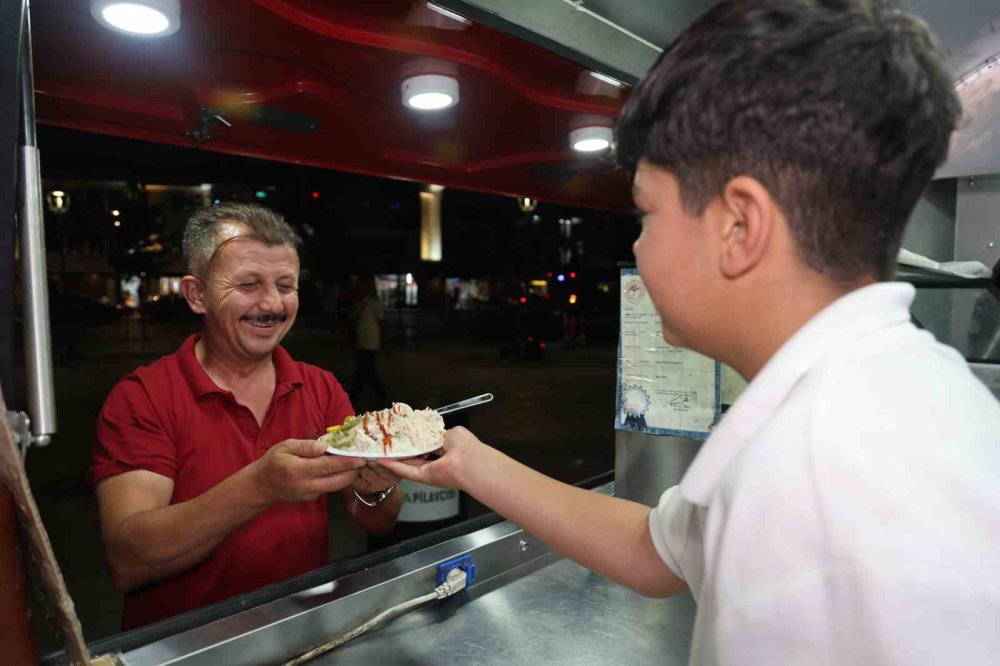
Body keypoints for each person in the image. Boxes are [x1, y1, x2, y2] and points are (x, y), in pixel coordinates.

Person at [382, 1, 1000, 664]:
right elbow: (656, 550)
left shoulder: (810, 482)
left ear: (739, 227)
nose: (639, 250)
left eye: (646, 212)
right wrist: (470, 461)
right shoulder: (893, 394)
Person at [89, 203, 403, 630]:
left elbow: (376, 519)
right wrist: (260, 485)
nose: (272, 304)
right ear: (197, 294)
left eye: (286, 285)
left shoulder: (321, 388)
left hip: (300, 634)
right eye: (249, 285)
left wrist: (379, 484)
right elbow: (129, 559)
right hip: (187, 647)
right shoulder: (143, 397)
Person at [349, 275, 388, 410]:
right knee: (367, 372)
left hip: (370, 343)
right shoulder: (358, 303)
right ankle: (381, 397)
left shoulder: (373, 303)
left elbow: (382, 323)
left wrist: (384, 341)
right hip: (362, 343)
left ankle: (353, 398)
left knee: (364, 372)